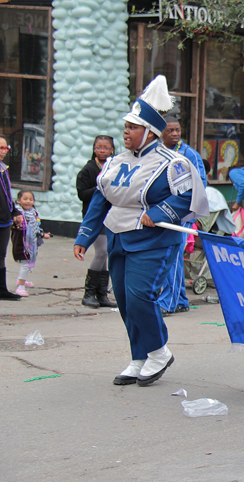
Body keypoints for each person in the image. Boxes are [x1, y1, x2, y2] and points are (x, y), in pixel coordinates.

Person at [73, 75, 209, 387]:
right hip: (119, 236)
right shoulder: (115, 162)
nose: (126, 133)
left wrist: (159, 212)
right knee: (122, 298)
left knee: (139, 297)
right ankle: (139, 356)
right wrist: (85, 235)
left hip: (154, 239)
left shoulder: (172, 162)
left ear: (149, 132)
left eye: (132, 128)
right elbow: (101, 200)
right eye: (125, 127)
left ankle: (159, 352)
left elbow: (190, 195)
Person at [157, 114, 207, 316]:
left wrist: (189, 211)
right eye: (170, 130)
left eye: (177, 129)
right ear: (160, 132)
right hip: (162, 213)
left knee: (173, 257)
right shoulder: (157, 153)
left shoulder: (189, 154)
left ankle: (168, 302)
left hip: (182, 214)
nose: (175, 133)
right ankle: (180, 300)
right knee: (169, 257)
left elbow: (200, 184)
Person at [75, 135, 117, 308]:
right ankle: (89, 293)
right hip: (95, 217)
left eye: (106, 147)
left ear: (112, 150)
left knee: (106, 253)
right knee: (101, 252)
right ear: (94, 149)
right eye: (99, 147)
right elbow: (82, 193)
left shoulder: (115, 167)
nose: (102, 150)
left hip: (111, 217)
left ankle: (102, 294)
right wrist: (100, 188)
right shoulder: (88, 169)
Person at [10, 190, 50, 296]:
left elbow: (35, 228)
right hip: (22, 243)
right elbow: (16, 227)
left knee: (27, 263)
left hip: (31, 243)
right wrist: (16, 221)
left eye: (31, 199)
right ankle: (20, 287)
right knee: (26, 263)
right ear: (18, 200)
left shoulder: (33, 213)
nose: (28, 201)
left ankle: (21, 280)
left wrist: (42, 234)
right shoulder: (17, 214)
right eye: (25, 199)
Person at [0, 134, 23, 300]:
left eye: (5, 148)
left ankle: (2, 289)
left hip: (4, 219)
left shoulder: (3, 169)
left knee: (1, 255)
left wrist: (14, 212)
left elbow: (7, 195)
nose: (3, 151)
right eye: (0, 148)